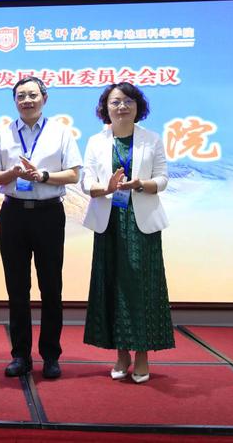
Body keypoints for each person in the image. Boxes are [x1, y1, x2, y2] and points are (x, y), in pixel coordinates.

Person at [0, 76, 82, 379]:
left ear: (44, 98)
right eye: (21, 96)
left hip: (48, 214)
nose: (27, 101)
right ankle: (20, 356)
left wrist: (43, 176)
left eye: (32, 95)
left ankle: (50, 355)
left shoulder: (61, 133)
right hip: (13, 214)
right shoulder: (2, 134)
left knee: (51, 287)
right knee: (17, 288)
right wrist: (13, 173)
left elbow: (74, 175)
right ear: (15, 101)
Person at [81, 82, 174, 384]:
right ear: (105, 108)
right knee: (113, 286)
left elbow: (163, 178)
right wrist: (105, 187)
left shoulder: (152, 139)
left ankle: (142, 354)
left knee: (142, 288)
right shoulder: (96, 141)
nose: (122, 106)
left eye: (128, 101)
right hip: (108, 222)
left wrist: (141, 185)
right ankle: (121, 354)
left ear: (138, 106)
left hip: (141, 221)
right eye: (115, 102)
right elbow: (86, 182)